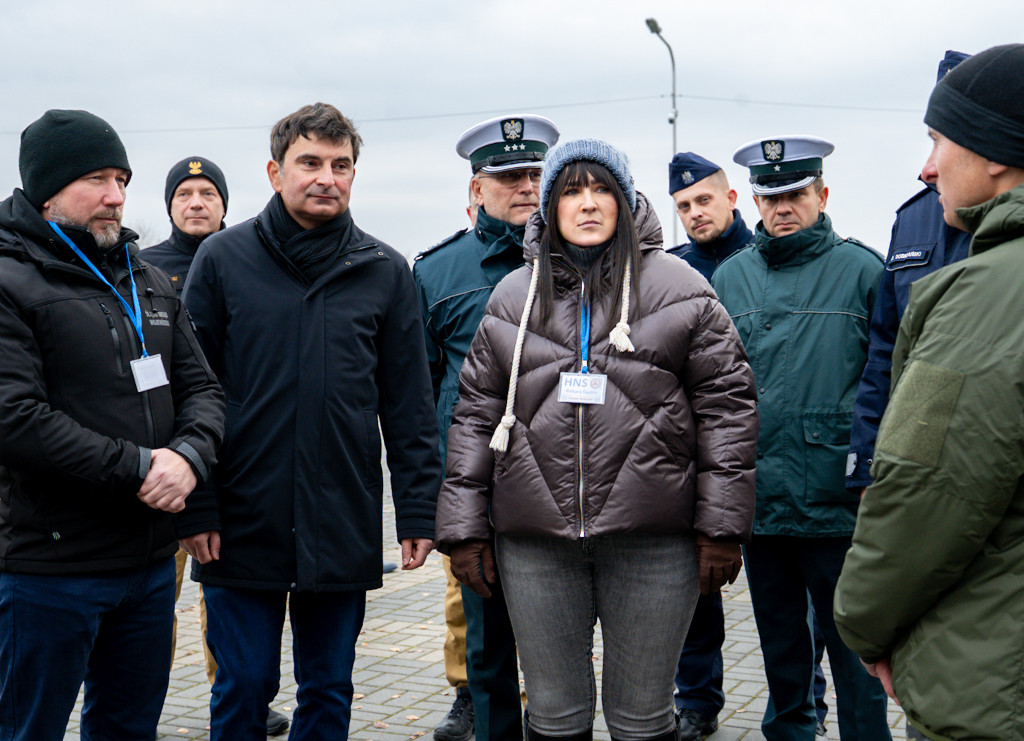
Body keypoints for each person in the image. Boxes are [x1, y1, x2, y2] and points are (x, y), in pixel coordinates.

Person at [437, 138, 758, 741]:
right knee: (554, 716)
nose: (587, 203)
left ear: (625, 200)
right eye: (571, 191)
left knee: (642, 718)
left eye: (601, 189)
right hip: (536, 547)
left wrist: (721, 526)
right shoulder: (513, 297)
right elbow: (475, 416)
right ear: (550, 207)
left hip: (653, 543)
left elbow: (727, 410)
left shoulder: (681, 288)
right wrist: (464, 529)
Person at [178, 102, 442, 740]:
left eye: (341, 165)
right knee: (242, 685)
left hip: (340, 514)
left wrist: (417, 511)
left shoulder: (384, 271)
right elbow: (190, 392)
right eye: (310, 163)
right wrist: (197, 506)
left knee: (328, 689)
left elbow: (408, 403)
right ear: (275, 172)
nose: (327, 178)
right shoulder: (221, 259)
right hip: (241, 518)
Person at [0, 109, 224, 740]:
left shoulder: (143, 278)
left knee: (128, 729)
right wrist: (141, 468)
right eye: (96, 179)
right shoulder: (9, 278)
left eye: (121, 179)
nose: (116, 196)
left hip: (147, 566)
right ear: (47, 189)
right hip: (48, 570)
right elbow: (15, 416)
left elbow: (204, 389)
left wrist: (188, 457)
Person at [835, 43, 1024, 741]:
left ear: (994, 152)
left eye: (938, 140)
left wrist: (864, 621)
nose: (927, 166)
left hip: (990, 672)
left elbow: (926, 485)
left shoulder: (988, 296)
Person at [712, 135, 891, 741]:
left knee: (856, 652)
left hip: (839, 505)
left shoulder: (864, 271)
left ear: (823, 195)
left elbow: (889, 381)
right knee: (781, 649)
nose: (782, 207)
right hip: (763, 506)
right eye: (770, 197)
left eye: (795, 194)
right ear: (755, 203)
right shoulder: (732, 278)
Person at [415, 114, 559, 741]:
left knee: (560, 647)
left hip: (560, 485)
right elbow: (420, 396)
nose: (525, 186)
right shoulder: (436, 274)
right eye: (508, 177)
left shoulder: (577, 259)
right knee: (486, 646)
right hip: (480, 489)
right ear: (477, 188)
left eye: (534, 174)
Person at [144, 157, 291, 737]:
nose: (196, 202)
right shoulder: (142, 268)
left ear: (225, 203)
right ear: (170, 206)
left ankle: (230, 687)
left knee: (223, 592)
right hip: (158, 460)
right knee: (156, 596)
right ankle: (144, 701)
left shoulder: (245, 260)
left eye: (208, 193)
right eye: (184, 194)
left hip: (226, 462)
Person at [846, 50, 971, 496]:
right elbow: (884, 348)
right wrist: (866, 466)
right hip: (911, 453)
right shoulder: (912, 218)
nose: (928, 168)